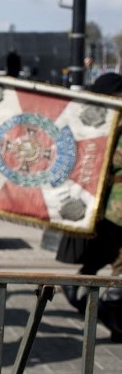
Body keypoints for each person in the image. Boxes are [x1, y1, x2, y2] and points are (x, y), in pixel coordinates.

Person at [57, 72, 122, 340]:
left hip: (108, 205)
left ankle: (80, 289)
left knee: (107, 254)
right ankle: (107, 307)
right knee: (112, 257)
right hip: (114, 205)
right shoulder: (108, 122)